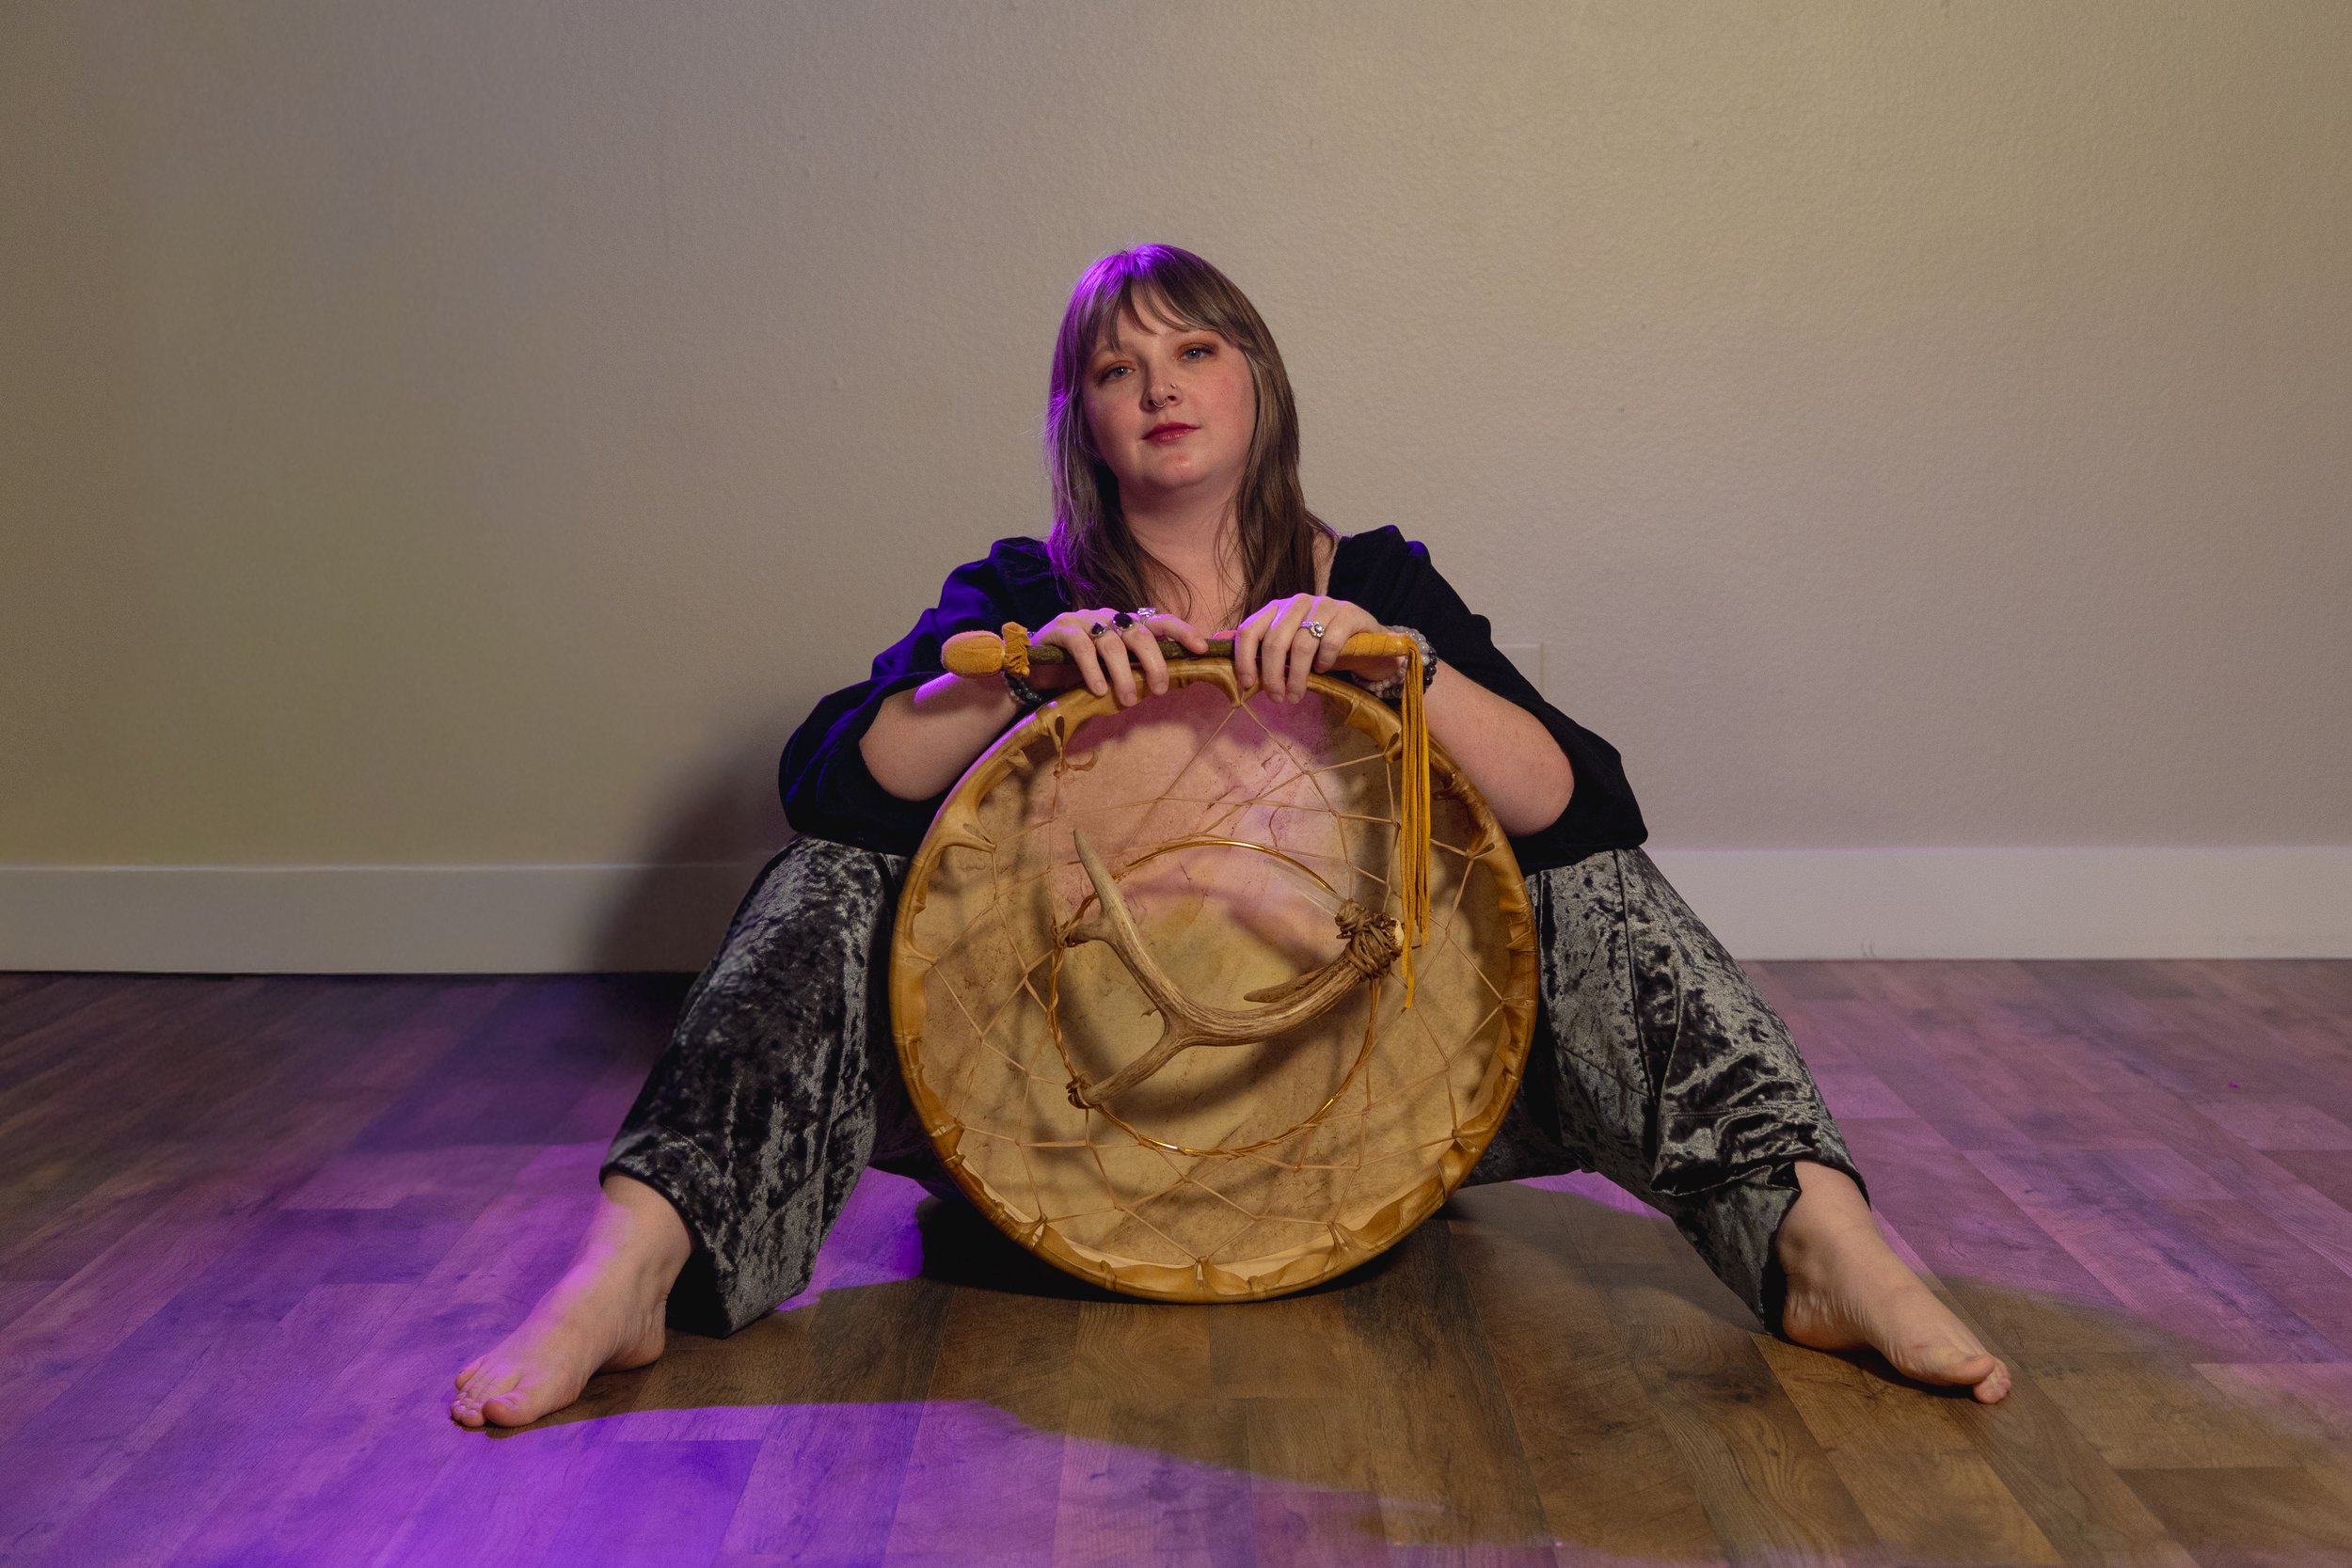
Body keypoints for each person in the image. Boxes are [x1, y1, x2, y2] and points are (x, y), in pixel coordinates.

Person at [452, 245, 2010, 1429]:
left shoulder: (1377, 579)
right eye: (1119, 370)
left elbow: (1576, 803)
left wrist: (1391, 665)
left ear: (1257, 381)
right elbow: (830, 783)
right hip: (1045, 1141)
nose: (1162, 386)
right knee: (834, 878)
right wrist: (1024, 677)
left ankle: (1823, 1242)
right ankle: (635, 1267)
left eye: (1195, 350)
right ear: (1084, 421)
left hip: (1343, 1129)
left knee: (1591, 891)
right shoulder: (1023, 591)